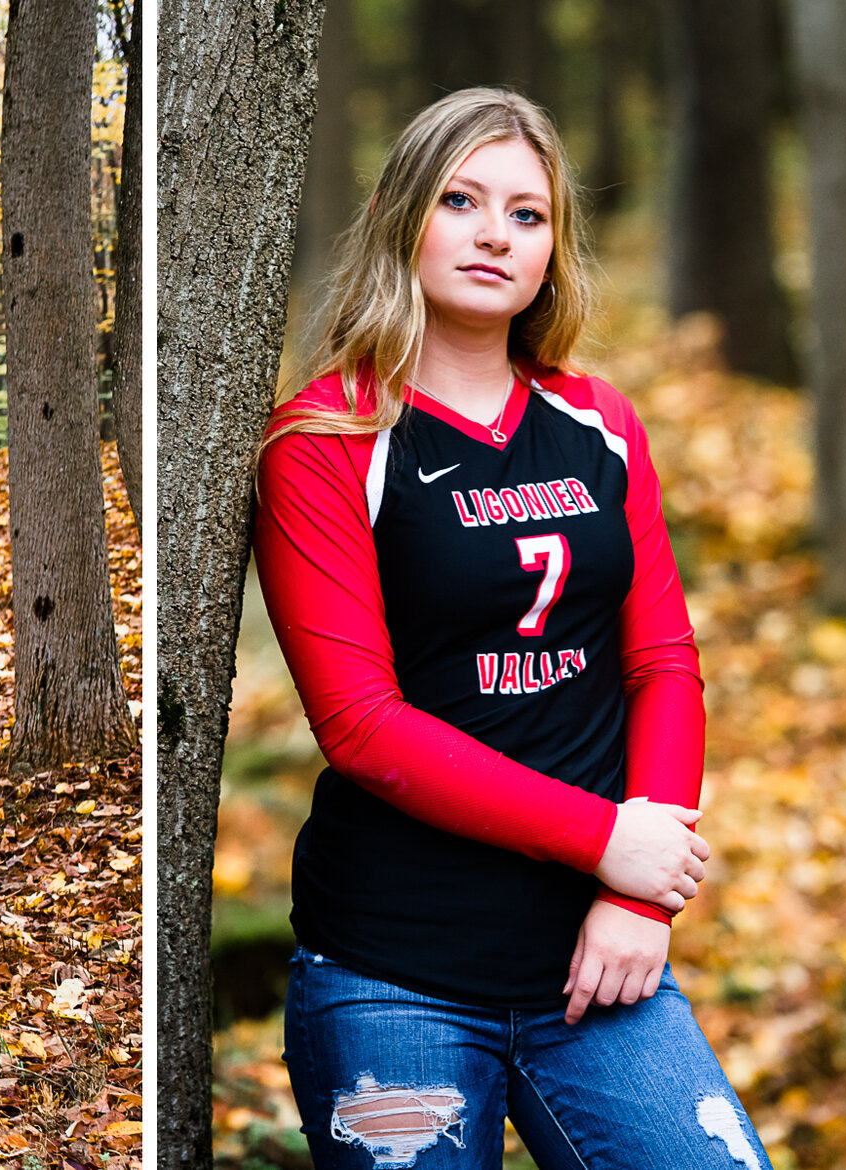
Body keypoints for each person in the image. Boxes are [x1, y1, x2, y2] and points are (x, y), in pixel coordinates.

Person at [253, 88, 770, 1168]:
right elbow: (360, 725)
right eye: (461, 201)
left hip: (596, 961)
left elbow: (663, 664)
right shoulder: (326, 439)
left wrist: (641, 889)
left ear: (552, 249)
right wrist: (604, 840)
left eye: (527, 215)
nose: (494, 234)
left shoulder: (598, 423)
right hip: (393, 971)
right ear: (404, 216)